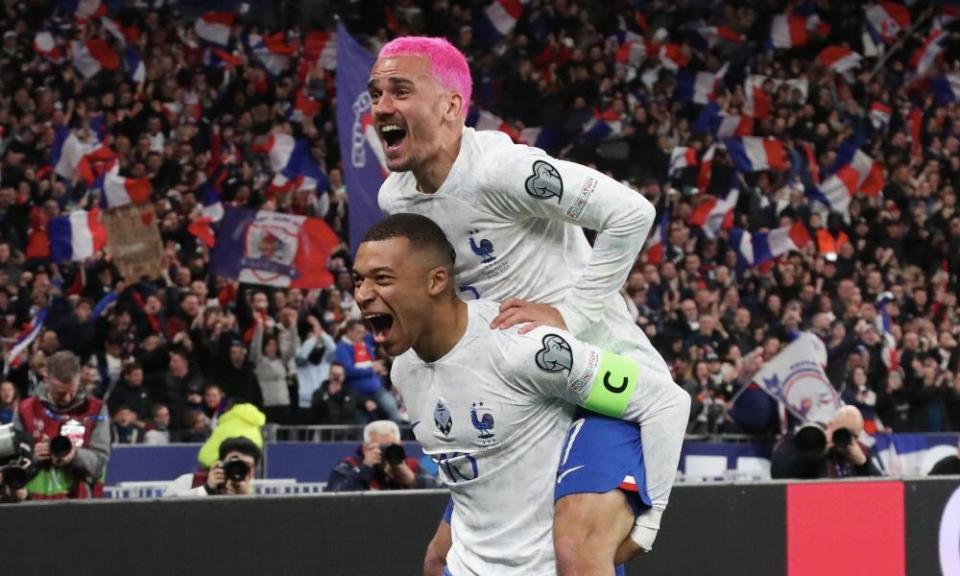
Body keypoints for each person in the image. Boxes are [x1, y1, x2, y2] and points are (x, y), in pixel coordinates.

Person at [372, 37, 688, 570]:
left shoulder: (505, 171)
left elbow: (631, 213)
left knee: (576, 549)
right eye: (376, 93)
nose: (381, 106)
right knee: (440, 558)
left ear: (451, 106)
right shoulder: (396, 199)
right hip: (518, 398)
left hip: (598, 383)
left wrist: (570, 316)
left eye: (400, 90)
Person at [353, 214, 681, 575]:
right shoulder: (404, 370)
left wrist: (649, 527)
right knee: (434, 558)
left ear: (436, 281)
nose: (362, 295)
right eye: (358, 281)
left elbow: (665, 401)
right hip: (469, 565)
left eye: (381, 279)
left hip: (545, 567)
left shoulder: (523, 346)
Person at [12, 351, 111, 499]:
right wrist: (33, 457)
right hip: (32, 505)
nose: (67, 397)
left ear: (79, 379)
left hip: (79, 505)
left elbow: (99, 463)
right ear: (46, 377)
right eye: (60, 392)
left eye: (71, 391)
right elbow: (11, 466)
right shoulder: (25, 410)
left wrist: (74, 455)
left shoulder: (96, 409)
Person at [770, 406, 883, 479]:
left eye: (854, 436)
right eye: (842, 431)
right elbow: (778, 474)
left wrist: (863, 464)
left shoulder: (858, 451)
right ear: (830, 425)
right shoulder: (806, 438)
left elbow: (885, 489)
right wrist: (817, 451)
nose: (846, 438)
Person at [326, 419, 435, 492]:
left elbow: (441, 494)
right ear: (365, 448)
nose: (385, 452)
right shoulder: (350, 465)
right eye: (380, 448)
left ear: (401, 445)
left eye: (391, 447)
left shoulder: (412, 465)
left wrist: (413, 480)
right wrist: (365, 469)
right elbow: (333, 497)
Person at [334, 319, 402, 424]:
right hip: (357, 394)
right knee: (361, 424)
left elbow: (380, 335)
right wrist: (371, 369)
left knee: (394, 412)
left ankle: (395, 439)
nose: (363, 335)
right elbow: (348, 371)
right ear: (349, 331)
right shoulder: (341, 348)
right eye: (359, 332)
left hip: (376, 388)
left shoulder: (365, 342)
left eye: (364, 332)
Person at [164, 436, 262, 496]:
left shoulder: (257, 499)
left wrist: (245, 499)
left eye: (246, 465)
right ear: (220, 463)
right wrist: (207, 489)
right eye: (234, 462)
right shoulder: (189, 481)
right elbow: (166, 510)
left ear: (252, 471)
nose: (237, 469)